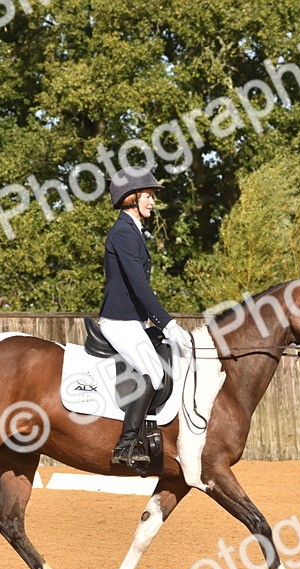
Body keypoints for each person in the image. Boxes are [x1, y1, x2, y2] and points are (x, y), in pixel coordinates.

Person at [99, 167, 192, 469]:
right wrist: (168, 323)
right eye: (148, 195)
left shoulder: (133, 232)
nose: (153, 201)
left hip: (134, 322)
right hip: (119, 321)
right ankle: (125, 446)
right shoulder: (123, 233)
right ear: (131, 198)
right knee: (153, 373)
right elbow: (140, 287)